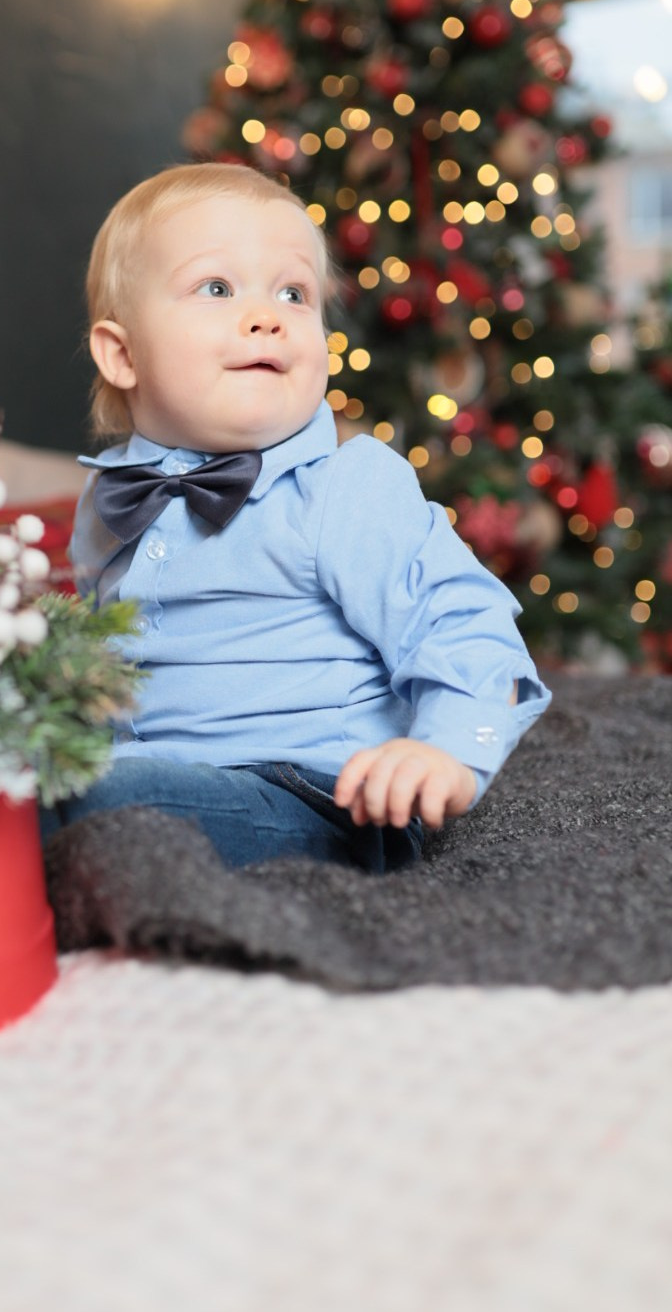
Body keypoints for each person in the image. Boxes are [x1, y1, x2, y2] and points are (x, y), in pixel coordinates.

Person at [38, 162, 551, 872]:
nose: (267, 314)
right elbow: (105, 663)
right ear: (121, 355)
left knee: (94, 803)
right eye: (216, 288)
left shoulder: (346, 486)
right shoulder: (107, 501)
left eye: (294, 292)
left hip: (319, 796)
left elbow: (465, 624)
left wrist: (444, 752)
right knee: (19, 775)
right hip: (148, 773)